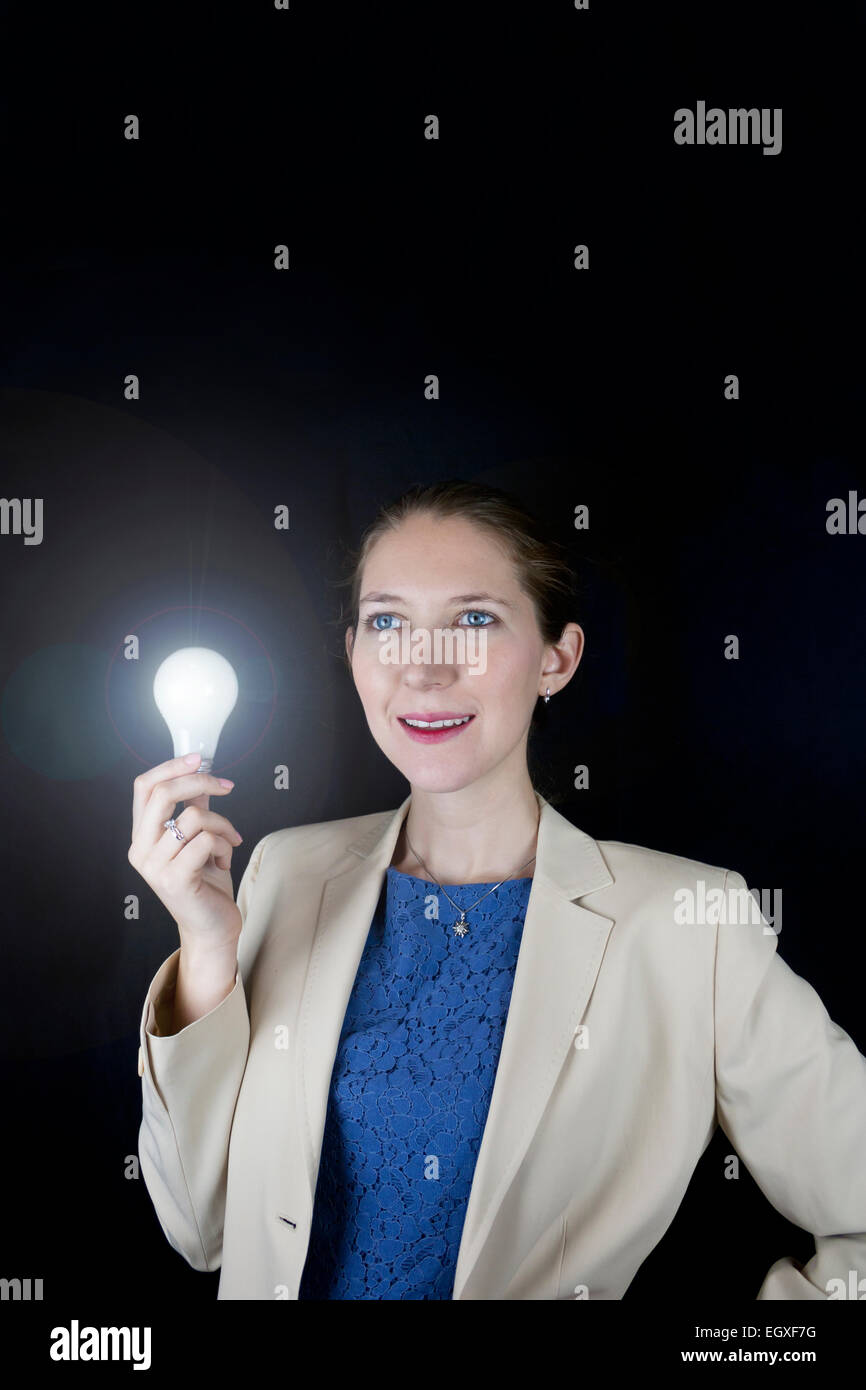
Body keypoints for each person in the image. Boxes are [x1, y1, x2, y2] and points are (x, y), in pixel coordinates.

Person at [132, 478, 866, 1300]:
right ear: (353, 655)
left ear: (557, 658)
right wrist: (205, 949)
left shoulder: (693, 925)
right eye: (388, 622)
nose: (425, 670)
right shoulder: (283, 874)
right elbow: (201, 1232)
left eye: (474, 620)